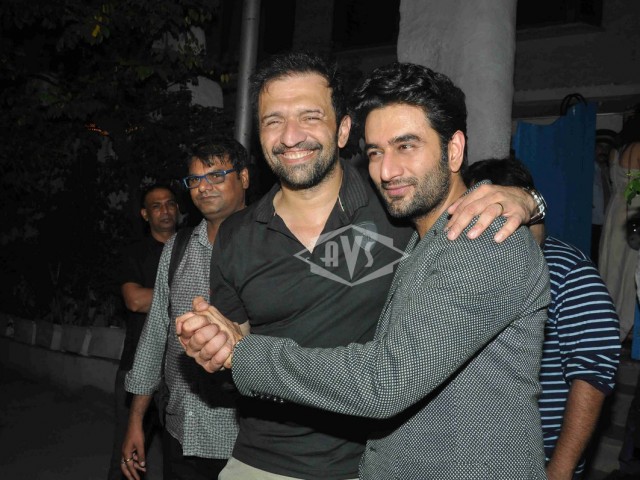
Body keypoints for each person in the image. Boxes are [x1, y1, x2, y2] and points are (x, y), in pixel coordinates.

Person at [178, 60, 550, 479]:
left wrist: (528, 201)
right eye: (375, 152)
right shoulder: (419, 232)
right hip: (274, 457)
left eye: (406, 146)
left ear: (454, 150)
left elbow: (385, 381)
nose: (387, 171)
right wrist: (218, 346)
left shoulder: (464, 235)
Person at [465, 157, 621, 480]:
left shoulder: (570, 273)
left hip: (540, 461)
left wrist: (560, 470)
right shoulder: (484, 265)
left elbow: (593, 377)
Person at [121, 137, 250, 480]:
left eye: (216, 175)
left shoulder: (270, 248)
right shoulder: (177, 248)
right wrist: (136, 420)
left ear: (244, 178)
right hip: (179, 431)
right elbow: (154, 337)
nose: (204, 187)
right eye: (195, 179)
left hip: (244, 444)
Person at [108, 183, 179, 480]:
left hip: (182, 370)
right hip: (138, 365)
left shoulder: (193, 248)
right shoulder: (134, 252)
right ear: (145, 214)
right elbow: (134, 300)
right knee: (127, 456)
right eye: (156, 206)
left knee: (181, 457)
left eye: (170, 203)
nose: (165, 210)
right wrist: (189, 294)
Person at [599, 111, 640, 341]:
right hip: (634, 208)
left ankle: (608, 321)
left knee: (612, 267)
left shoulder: (617, 150)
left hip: (615, 211)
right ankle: (626, 325)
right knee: (630, 269)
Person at [592, 129, 617, 265]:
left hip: (606, 222)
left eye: (607, 148)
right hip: (592, 224)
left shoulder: (609, 171)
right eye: (600, 147)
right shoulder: (589, 170)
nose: (604, 151)